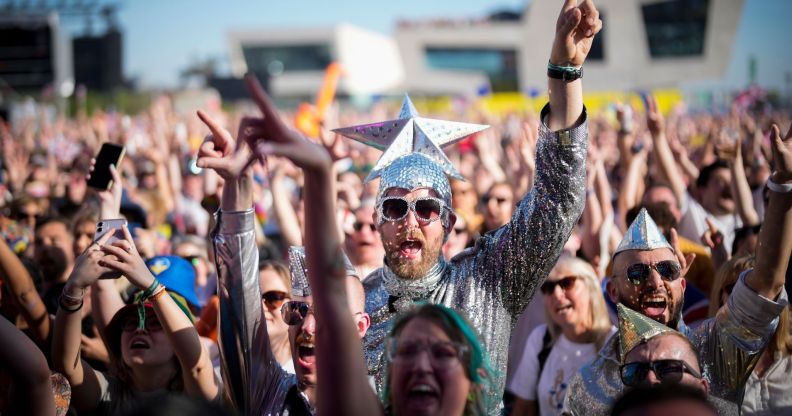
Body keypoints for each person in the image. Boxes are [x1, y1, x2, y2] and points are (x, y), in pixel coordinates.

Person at [332, 0, 601, 396]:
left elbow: (557, 201)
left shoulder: (486, 279)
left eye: (426, 208)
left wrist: (564, 73)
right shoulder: (355, 304)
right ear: (376, 220)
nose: (410, 221)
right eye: (394, 207)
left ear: (450, 222)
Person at [195, 98, 372, 414]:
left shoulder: (382, 401)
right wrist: (238, 181)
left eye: (327, 314)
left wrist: (319, 172)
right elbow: (238, 292)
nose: (307, 327)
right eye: (298, 311)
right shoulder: (269, 390)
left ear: (360, 327)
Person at [564, 187, 790, 414]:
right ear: (612, 291)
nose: (655, 281)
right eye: (637, 273)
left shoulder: (714, 347)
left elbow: (766, 284)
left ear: (682, 285)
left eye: (667, 270)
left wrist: (783, 185)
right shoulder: (588, 382)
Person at [52, 228, 219, 414]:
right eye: (130, 323)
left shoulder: (197, 397)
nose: (140, 330)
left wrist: (150, 285)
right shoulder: (110, 394)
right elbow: (67, 368)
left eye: (157, 324)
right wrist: (74, 287)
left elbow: (197, 366)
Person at [508, 256, 614, 416]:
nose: (557, 294)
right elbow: (523, 408)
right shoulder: (540, 340)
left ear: (591, 287)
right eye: (548, 287)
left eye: (566, 283)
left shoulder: (616, 345)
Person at [708, 255, 792, 414]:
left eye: (759, 291)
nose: (751, 300)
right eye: (735, 289)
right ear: (719, 299)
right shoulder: (704, 366)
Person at [258, 259, 293, 373]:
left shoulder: (313, 372)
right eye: (253, 300)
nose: (262, 307)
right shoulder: (228, 371)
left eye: (273, 297)